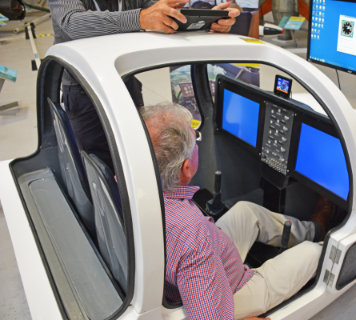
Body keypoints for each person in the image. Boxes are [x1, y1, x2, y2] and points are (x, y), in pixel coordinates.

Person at [141, 103, 324, 320]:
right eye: (196, 139)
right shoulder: (191, 232)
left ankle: (315, 228)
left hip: (209, 261)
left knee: (245, 211)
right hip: (232, 291)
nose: (198, 142)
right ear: (187, 168)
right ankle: (324, 239)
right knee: (314, 252)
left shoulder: (132, 185)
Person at [48, 0, 240, 169]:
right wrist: (140, 18)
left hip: (125, 79)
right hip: (84, 89)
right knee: (98, 165)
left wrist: (205, 21)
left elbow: (158, 12)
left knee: (138, 153)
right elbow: (72, 22)